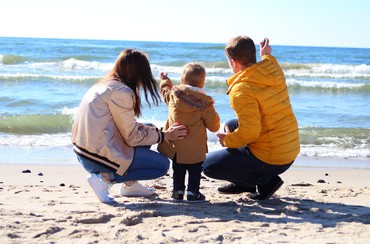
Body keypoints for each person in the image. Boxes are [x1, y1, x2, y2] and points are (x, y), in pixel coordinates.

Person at [72, 49, 188, 203]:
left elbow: (126, 127)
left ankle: (130, 186)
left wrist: (159, 132)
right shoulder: (121, 92)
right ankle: (104, 179)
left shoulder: (106, 85)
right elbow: (133, 138)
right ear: (137, 72)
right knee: (161, 165)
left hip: (86, 151)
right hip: (95, 157)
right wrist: (165, 135)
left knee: (149, 127)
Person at [202, 37, 300, 200]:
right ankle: (244, 184)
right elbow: (268, 59)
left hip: (273, 157)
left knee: (208, 166)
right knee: (232, 124)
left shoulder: (241, 90)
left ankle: (266, 181)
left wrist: (228, 140)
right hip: (290, 147)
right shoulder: (272, 68)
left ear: (233, 62)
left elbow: (251, 132)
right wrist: (266, 54)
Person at [158, 62, 220, 202]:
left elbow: (165, 91)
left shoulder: (174, 95)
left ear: (182, 81)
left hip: (177, 146)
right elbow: (214, 126)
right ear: (202, 83)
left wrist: (165, 80)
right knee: (195, 170)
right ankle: (193, 192)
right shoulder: (204, 103)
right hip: (196, 148)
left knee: (178, 169)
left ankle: (177, 192)